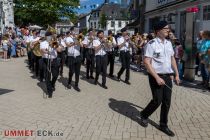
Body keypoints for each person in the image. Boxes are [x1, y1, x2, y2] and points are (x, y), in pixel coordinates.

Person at [139, 21, 180, 137]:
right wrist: (157, 77)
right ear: (158, 31)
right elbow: (146, 62)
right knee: (157, 100)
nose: (168, 30)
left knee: (167, 102)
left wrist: (176, 74)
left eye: (168, 28)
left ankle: (163, 125)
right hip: (155, 76)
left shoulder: (168, 43)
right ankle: (144, 115)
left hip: (168, 76)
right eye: (166, 28)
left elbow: (172, 59)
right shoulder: (151, 44)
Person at [40, 31, 61, 98]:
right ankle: (49, 91)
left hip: (54, 60)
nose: (50, 37)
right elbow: (42, 51)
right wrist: (47, 51)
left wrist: (55, 46)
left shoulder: (55, 42)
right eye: (49, 36)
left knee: (55, 75)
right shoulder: (43, 43)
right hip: (46, 60)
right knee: (47, 77)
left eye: (51, 36)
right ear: (46, 37)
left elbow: (59, 50)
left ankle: (52, 83)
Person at [65, 27, 83, 92]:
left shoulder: (79, 37)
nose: (75, 32)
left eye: (76, 31)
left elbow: (81, 45)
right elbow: (68, 45)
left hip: (77, 56)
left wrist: (77, 39)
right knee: (71, 71)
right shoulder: (68, 38)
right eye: (74, 31)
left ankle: (76, 85)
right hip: (71, 56)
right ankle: (69, 83)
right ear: (71, 31)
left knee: (77, 72)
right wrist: (74, 42)